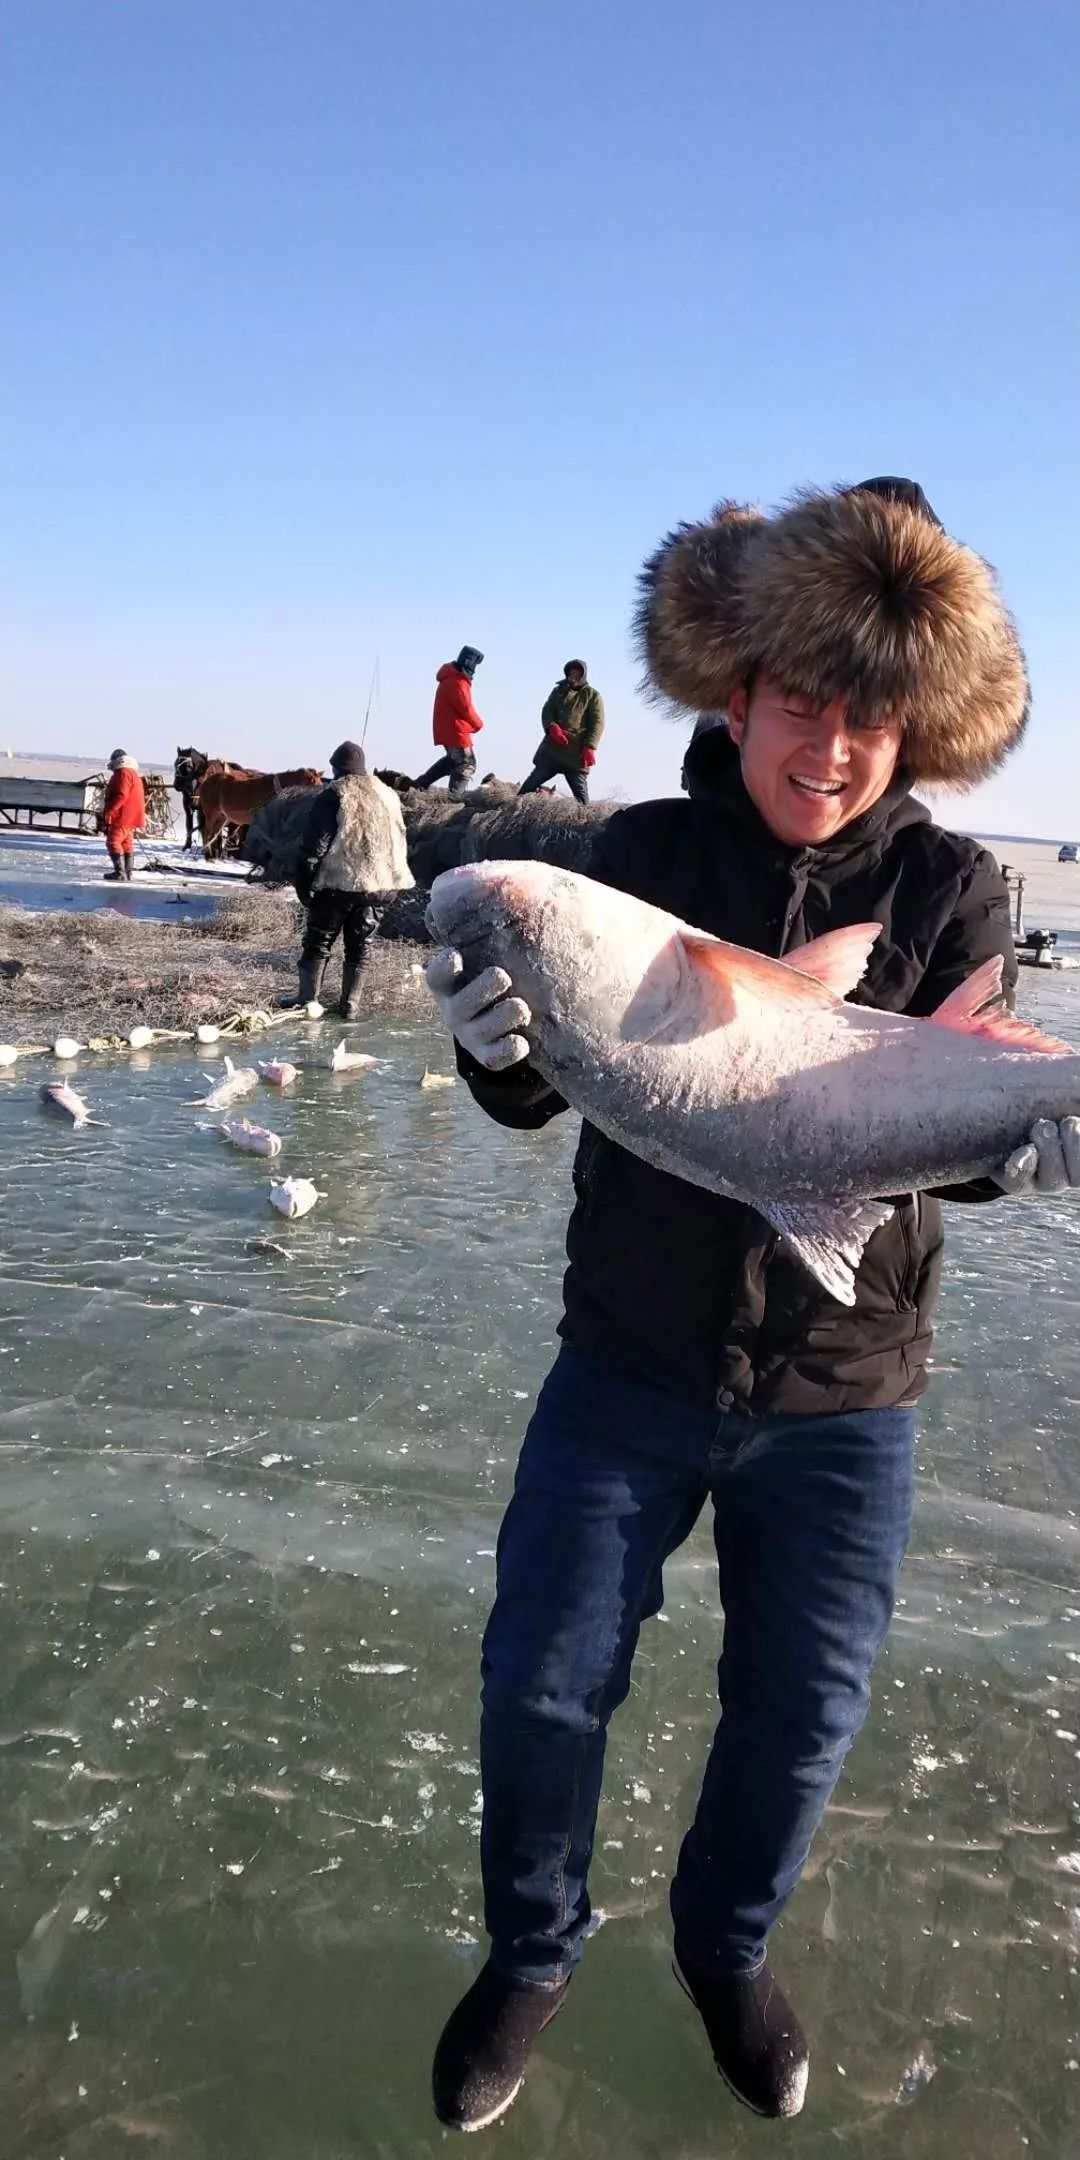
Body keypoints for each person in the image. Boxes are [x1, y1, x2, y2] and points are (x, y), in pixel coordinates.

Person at [423, 478, 1079, 2133]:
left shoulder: (952, 897)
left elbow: (933, 1140)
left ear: (916, 730)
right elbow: (557, 1083)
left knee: (800, 1715)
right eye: (805, 700)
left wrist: (1027, 1155)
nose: (835, 746)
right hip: (627, 1364)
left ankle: (725, 1951)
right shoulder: (636, 854)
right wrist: (496, 1054)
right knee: (541, 1682)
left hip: (846, 1390)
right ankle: (531, 1953)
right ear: (739, 693)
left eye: (875, 716)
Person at [293, 741, 414, 1017]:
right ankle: (350, 1005)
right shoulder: (388, 795)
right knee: (360, 947)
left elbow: (314, 847)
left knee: (319, 941)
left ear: (336, 769)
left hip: (341, 883)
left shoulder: (334, 794)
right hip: (382, 884)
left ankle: (307, 1000)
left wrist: (304, 885)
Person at [519, 660, 604, 804]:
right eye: (571, 672)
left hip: (576, 754)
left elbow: (598, 722)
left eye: (577, 673)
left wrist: (590, 746)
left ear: (583, 675)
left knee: (582, 801)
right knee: (526, 790)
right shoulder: (558, 691)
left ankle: (586, 824)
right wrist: (552, 727)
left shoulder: (592, 695)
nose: (573, 675)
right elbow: (547, 710)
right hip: (552, 751)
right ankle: (514, 818)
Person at [415, 647, 485, 797]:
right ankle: (453, 799)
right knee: (466, 763)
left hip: (447, 730)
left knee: (453, 761)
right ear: (469, 664)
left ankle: (419, 785)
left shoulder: (449, 678)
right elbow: (466, 708)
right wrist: (478, 724)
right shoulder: (458, 681)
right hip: (456, 731)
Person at [100, 749, 146, 881]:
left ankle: (120, 873)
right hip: (132, 815)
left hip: (123, 815)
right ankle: (127, 873)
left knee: (113, 842)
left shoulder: (123, 773)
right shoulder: (132, 773)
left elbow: (122, 795)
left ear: (116, 760)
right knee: (126, 843)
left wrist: (111, 811)